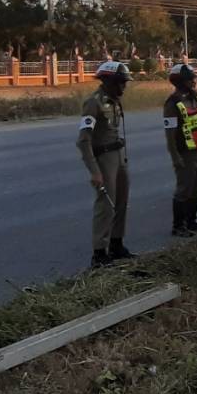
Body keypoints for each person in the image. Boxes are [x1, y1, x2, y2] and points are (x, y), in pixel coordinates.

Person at [77, 60, 134, 267]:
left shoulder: (114, 101)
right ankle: (99, 253)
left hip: (118, 156)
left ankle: (117, 244)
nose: (123, 87)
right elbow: (83, 140)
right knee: (106, 206)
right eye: (119, 82)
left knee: (121, 203)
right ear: (107, 81)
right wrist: (94, 171)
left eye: (124, 82)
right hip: (104, 159)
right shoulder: (94, 102)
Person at [164, 62, 197, 237]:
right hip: (185, 152)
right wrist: (175, 157)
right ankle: (178, 226)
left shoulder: (196, 98)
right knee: (184, 190)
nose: (194, 81)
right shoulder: (172, 103)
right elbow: (170, 134)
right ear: (180, 81)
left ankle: (191, 221)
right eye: (190, 79)